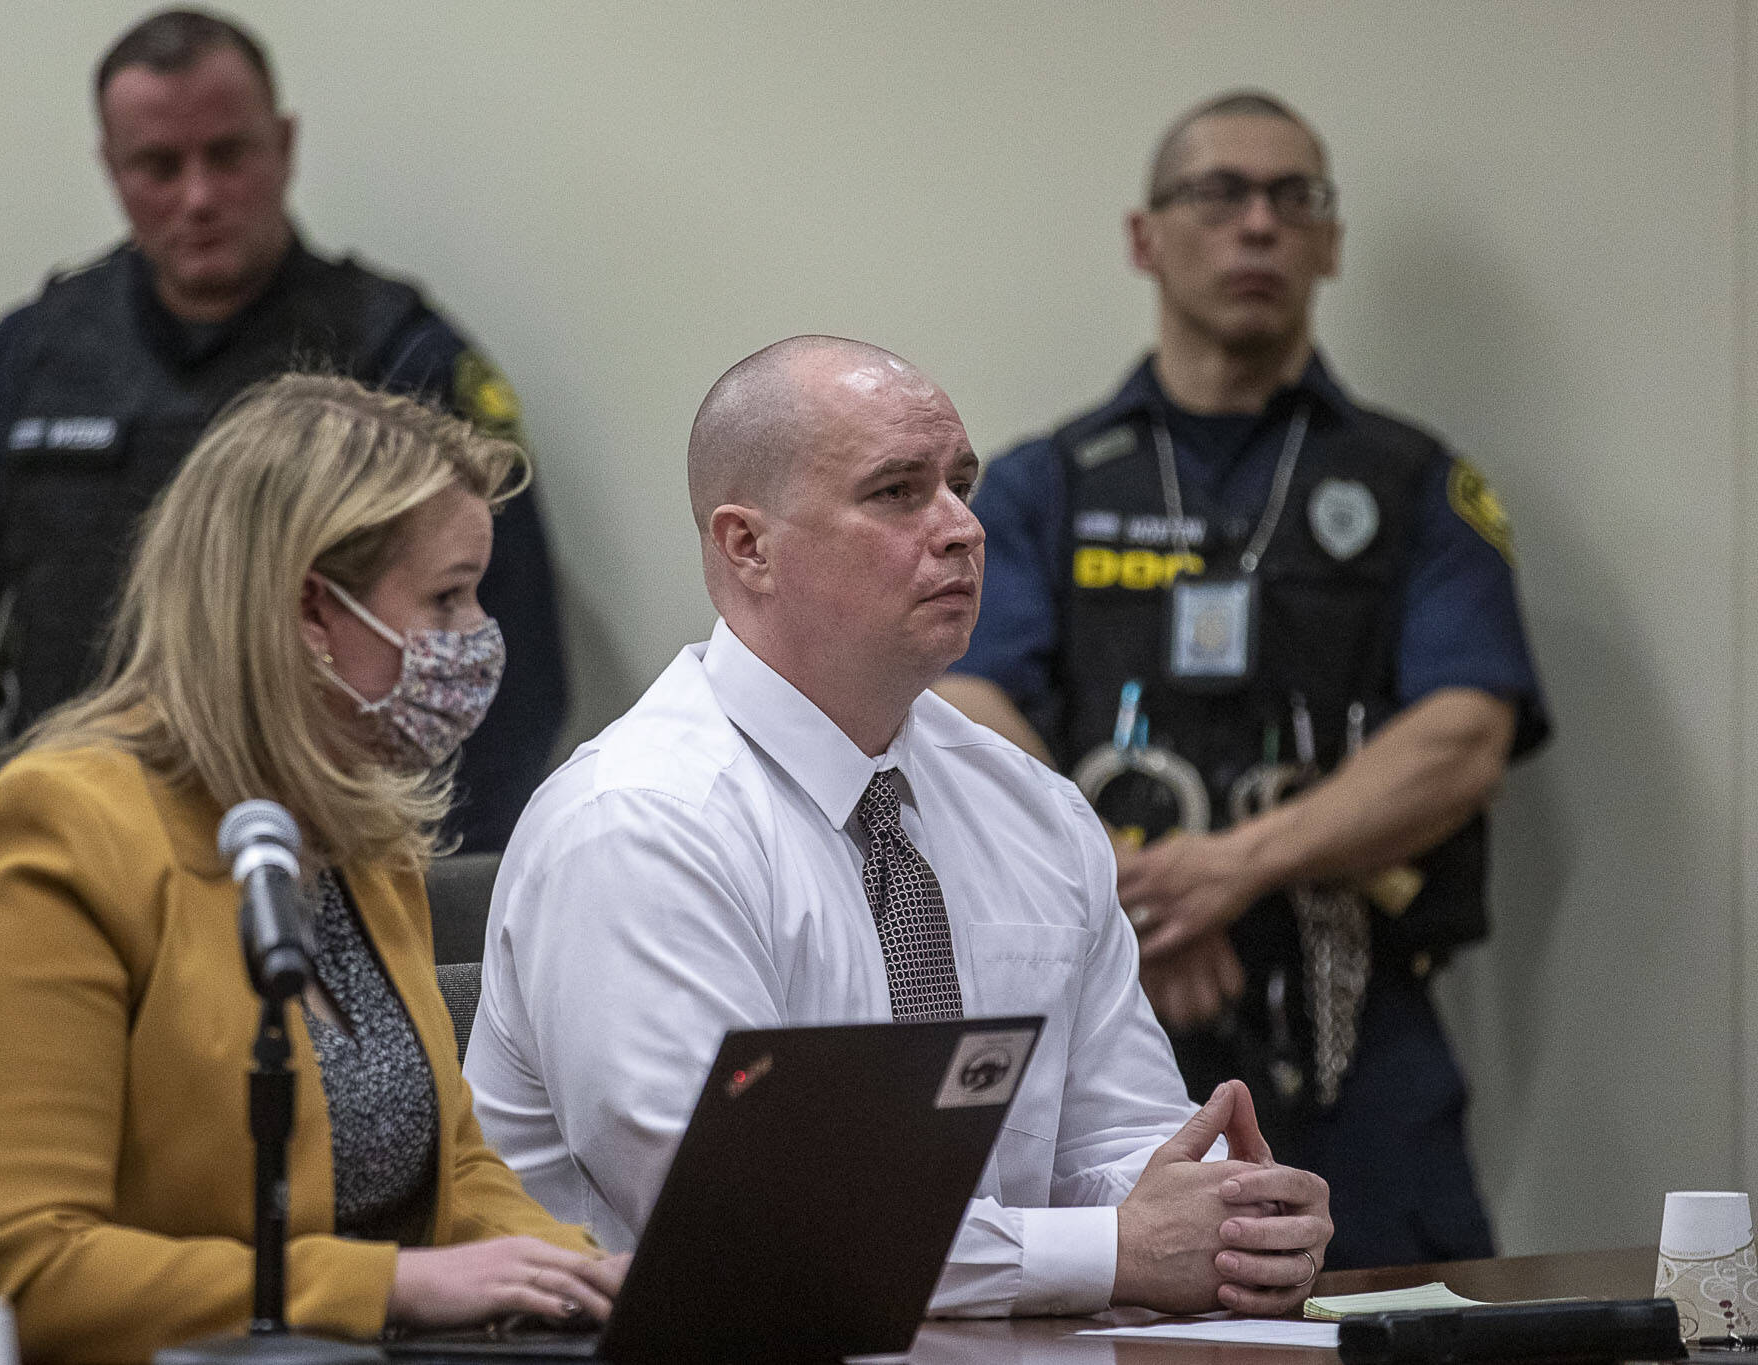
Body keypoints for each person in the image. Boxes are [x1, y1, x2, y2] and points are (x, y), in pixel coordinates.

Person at [465, 335, 1331, 1319]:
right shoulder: (638, 826)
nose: (962, 527)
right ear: (747, 545)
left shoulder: (1028, 809)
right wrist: (1107, 1251)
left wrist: (1223, 1219)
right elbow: (744, 1227)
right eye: (895, 493)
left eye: (959, 484)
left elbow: (1114, 1135)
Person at [0, 375, 625, 1364]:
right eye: (444, 598)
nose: (476, 638)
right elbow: (24, 1274)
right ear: (311, 610)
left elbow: (454, 1165)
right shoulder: (47, 840)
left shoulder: (359, 836)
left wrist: (584, 1276)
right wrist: (388, 1285)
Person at [935, 91, 1549, 1269]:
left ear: (1327, 242)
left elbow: (1464, 735)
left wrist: (1221, 872)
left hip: (1351, 1025)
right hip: (1105, 1012)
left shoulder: (1413, 483)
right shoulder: (1038, 486)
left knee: (1410, 1325)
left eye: (1292, 198)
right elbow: (959, 706)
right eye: (1217, 194)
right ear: (1143, 237)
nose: (1256, 225)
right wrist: (1126, 892)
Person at [0, 8, 565, 888]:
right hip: (69, 843)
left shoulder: (395, 358)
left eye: (229, 153)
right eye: (159, 166)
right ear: (112, 168)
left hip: (327, 859)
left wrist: (444, 873)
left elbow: (501, 644)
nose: (198, 196)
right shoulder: (33, 356)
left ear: (282, 143)